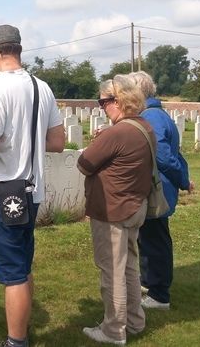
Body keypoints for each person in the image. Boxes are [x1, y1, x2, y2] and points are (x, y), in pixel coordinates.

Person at [0, 25, 65, 347]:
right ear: (17, 50)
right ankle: (23, 327)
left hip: (0, 192)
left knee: (13, 274)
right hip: (30, 189)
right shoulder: (42, 87)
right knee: (22, 264)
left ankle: (16, 341)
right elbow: (57, 142)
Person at [77, 75, 154, 345]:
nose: (101, 107)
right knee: (130, 267)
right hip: (136, 206)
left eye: (103, 102)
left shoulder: (118, 132)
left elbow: (85, 163)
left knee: (111, 270)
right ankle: (134, 321)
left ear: (118, 101)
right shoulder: (143, 126)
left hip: (112, 210)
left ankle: (113, 330)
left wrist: (98, 142)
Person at [130, 71, 192, 311]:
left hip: (159, 189)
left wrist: (183, 180)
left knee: (155, 242)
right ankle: (150, 282)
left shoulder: (151, 116)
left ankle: (159, 295)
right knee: (149, 239)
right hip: (159, 187)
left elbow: (163, 156)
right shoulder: (154, 113)